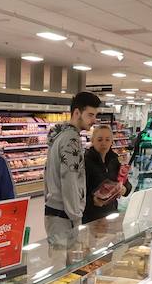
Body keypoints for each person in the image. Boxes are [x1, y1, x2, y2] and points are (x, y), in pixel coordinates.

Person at [44, 91, 101, 225]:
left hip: (54, 210)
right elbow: (69, 179)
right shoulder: (71, 140)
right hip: (64, 216)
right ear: (77, 113)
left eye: (95, 115)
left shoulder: (59, 136)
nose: (94, 120)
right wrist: (75, 216)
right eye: (90, 115)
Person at [83, 123, 128, 224]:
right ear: (92, 141)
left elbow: (126, 184)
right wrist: (92, 200)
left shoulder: (114, 160)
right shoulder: (85, 162)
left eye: (107, 140)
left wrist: (124, 189)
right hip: (91, 218)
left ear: (112, 142)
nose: (104, 143)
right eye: (100, 140)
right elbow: (77, 195)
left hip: (111, 215)